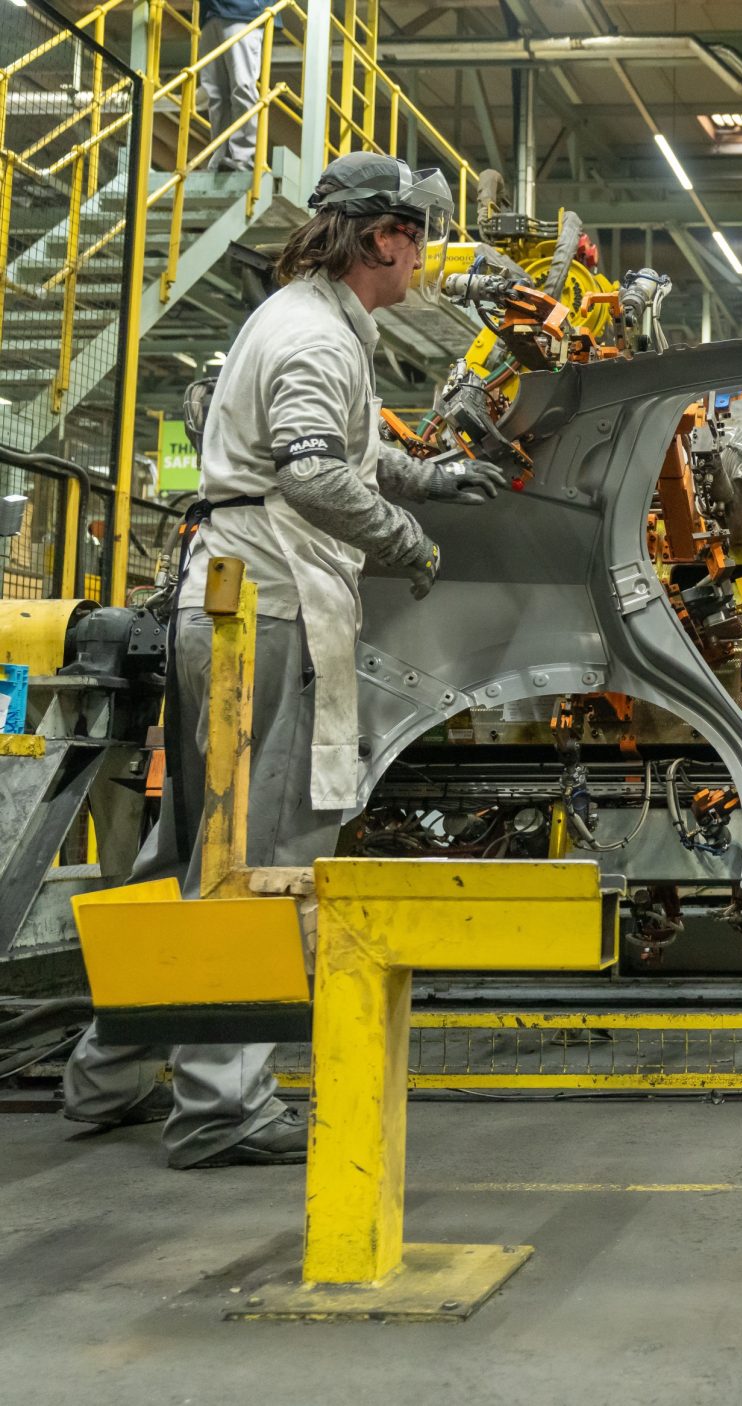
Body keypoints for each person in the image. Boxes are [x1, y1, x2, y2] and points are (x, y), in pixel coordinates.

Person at [62, 153, 510, 1169]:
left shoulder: (306, 320)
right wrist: (408, 541)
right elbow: (312, 476)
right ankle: (221, 1106)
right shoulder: (314, 334)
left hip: (228, 605)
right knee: (260, 857)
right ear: (385, 237)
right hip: (264, 613)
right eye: (420, 238)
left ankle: (108, 1074)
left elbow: (335, 451)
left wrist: (430, 475)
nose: (425, 258)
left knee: (192, 853)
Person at [198, 0, 268, 172]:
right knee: (215, 95)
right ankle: (220, 157)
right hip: (211, 15)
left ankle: (244, 157)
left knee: (242, 86)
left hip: (242, 12)